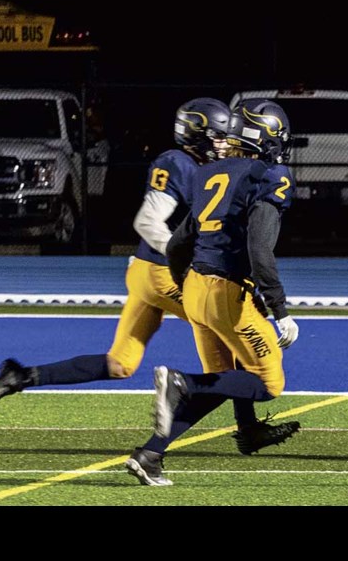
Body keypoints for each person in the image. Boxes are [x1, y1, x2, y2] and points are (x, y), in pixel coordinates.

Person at [0, 98, 288, 455]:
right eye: (218, 136)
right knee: (229, 350)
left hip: (147, 273)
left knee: (121, 363)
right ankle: (241, 429)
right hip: (166, 273)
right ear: (198, 135)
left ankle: (22, 375)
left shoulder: (206, 168)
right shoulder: (180, 164)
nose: (225, 143)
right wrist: (189, 261)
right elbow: (146, 222)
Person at [125, 99, 300, 486]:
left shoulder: (210, 172)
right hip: (225, 293)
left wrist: (184, 283)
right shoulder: (269, 176)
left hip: (195, 288)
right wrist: (280, 308)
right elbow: (259, 249)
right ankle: (181, 383)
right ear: (266, 136)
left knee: (222, 379)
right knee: (269, 383)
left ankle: (151, 454)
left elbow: (177, 245)